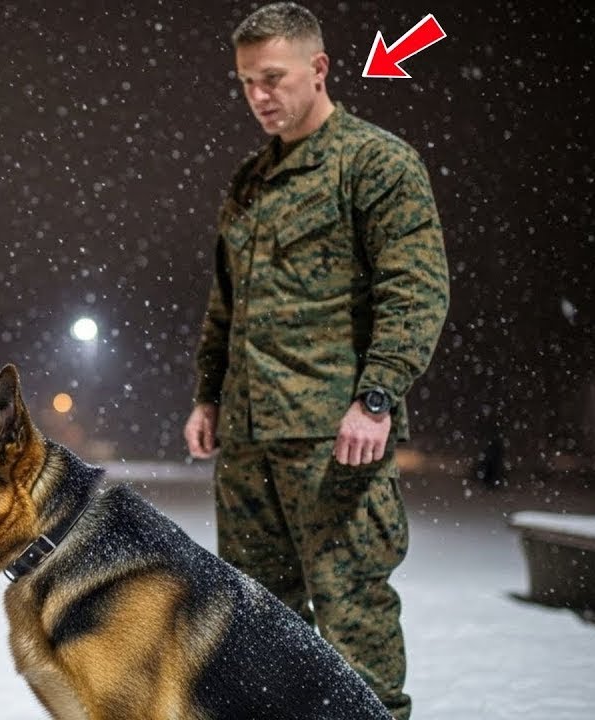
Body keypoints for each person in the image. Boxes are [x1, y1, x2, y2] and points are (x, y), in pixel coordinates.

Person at [182, 4, 449, 719]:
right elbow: (227, 305)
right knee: (255, 623)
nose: (259, 95)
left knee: (353, 617)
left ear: (320, 68)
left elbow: (415, 289)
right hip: (249, 442)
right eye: (246, 82)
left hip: (335, 440)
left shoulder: (375, 163)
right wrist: (209, 395)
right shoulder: (249, 181)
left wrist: (377, 396)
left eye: (273, 77)